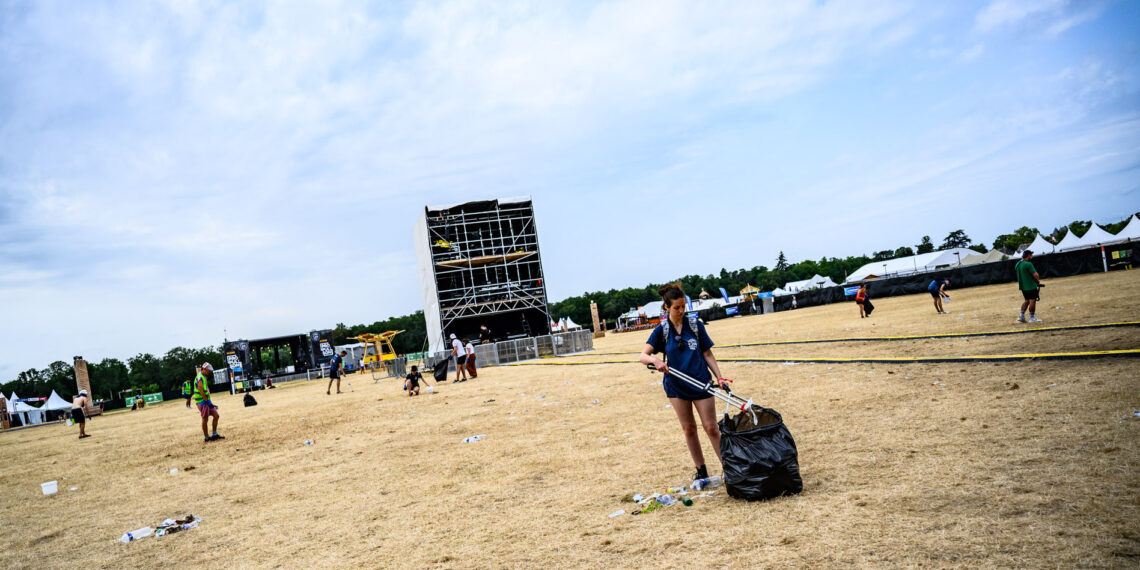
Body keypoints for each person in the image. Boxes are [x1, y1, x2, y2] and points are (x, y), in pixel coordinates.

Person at [639, 282, 729, 482]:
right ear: (667, 308)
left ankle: (730, 468)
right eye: (676, 307)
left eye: (683, 306)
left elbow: (707, 353)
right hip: (676, 386)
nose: (681, 311)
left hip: (700, 382)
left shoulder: (695, 325)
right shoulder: (662, 330)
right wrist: (656, 360)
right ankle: (701, 470)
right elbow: (643, 356)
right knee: (689, 429)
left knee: (711, 427)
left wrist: (719, 377)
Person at [194, 363, 224, 443]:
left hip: (206, 401)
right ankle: (207, 438)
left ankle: (214, 435)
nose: (209, 372)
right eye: (208, 370)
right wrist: (206, 401)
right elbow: (200, 389)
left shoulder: (204, 377)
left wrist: (209, 401)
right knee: (205, 419)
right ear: (204, 369)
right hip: (202, 402)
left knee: (216, 416)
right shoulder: (200, 377)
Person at [1015, 250, 1044, 323]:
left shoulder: (1018, 264)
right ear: (1028, 255)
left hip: (1023, 286)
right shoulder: (1028, 264)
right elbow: (1036, 275)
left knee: (1026, 301)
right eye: (1031, 254)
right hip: (1030, 285)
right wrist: (1037, 281)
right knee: (1032, 301)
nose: (1032, 256)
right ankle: (1032, 318)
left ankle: (1021, 316)